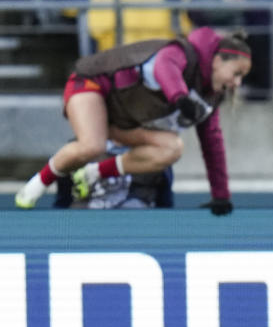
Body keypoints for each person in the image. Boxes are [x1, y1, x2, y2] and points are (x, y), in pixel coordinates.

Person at [14, 26, 251, 215]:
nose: (237, 84)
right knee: (91, 145)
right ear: (218, 61)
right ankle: (35, 185)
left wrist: (221, 195)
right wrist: (178, 97)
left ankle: (92, 174)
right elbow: (165, 66)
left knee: (172, 147)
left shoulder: (209, 97)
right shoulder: (184, 52)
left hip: (122, 118)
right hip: (94, 83)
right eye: (236, 74)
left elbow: (212, 142)